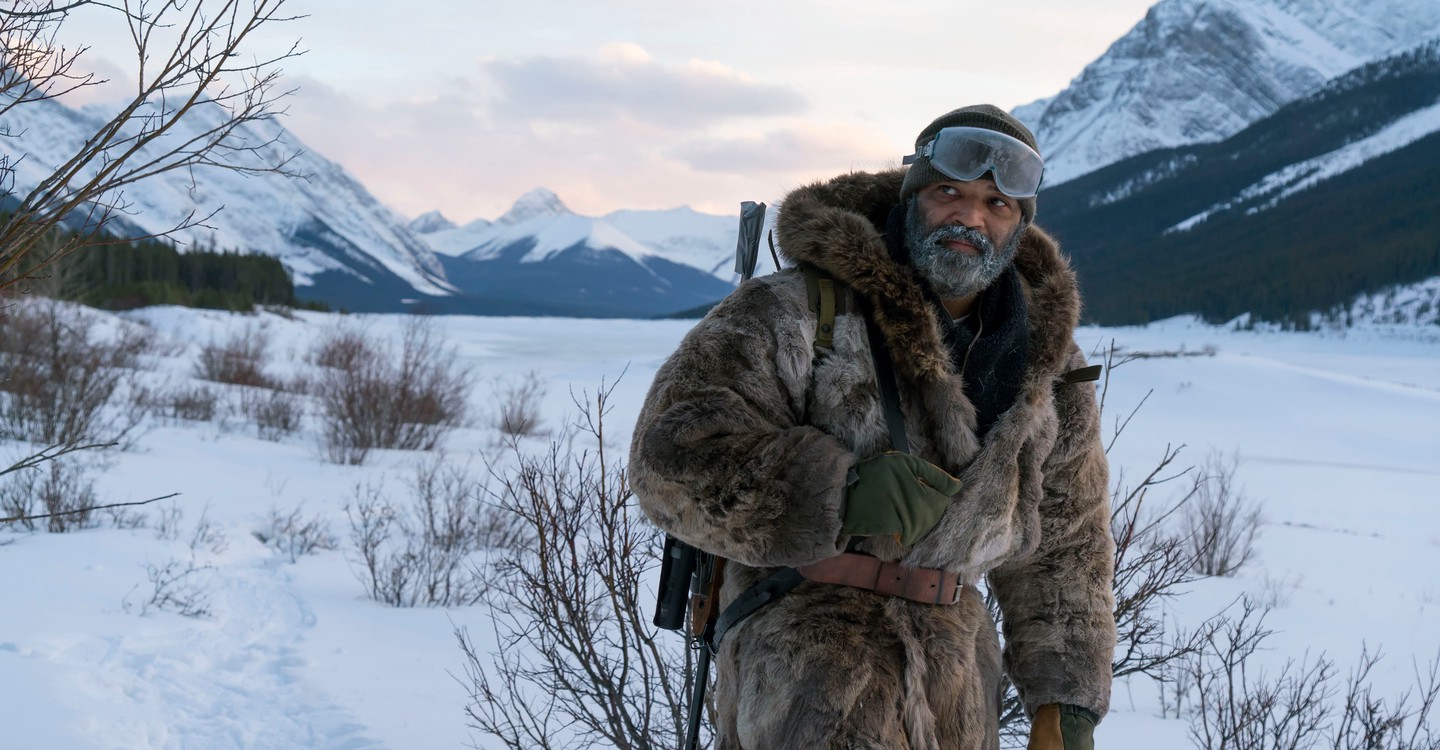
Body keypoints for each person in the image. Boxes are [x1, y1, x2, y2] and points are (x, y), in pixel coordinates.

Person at [629, 104, 1116, 750]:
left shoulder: (1046, 367)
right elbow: (669, 455)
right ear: (913, 196)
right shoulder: (799, 309)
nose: (971, 218)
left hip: (958, 699)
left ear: (1020, 226)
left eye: (997, 205)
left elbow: (1067, 546)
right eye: (951, 193)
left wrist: (1065, 707)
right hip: (806, 678)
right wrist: (837, 493)